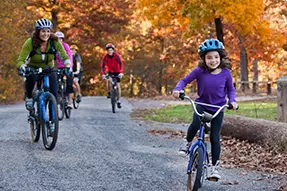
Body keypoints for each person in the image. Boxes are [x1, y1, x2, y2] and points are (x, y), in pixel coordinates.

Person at [172, 39, 238, 180]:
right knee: (195, 124)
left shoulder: (226, 73)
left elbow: (231, 90)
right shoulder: (200, 71)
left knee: (215, 138)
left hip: (218, 108)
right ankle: (188, 142)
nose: (213, 60)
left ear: (221, 57)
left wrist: (232, 101)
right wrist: (178, 88)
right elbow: (184, 80)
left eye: (216, 57)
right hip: (201, 104)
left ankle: (214, 168)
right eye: (209, 57)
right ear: (204, 59)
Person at [17, 18, 71, 111]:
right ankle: (29, 97)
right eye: (43, 31)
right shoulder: (30, 42)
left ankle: (52, 119)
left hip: (48, 68)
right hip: (34, 68)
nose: (45, 34)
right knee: (31, 77)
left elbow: (64, 57)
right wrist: (24, 67)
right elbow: (21, 60)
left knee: (54, 92)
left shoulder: (55, 42)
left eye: (48, 31)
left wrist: (67, 66)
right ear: (38, 32)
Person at [100, 43, 124, 108]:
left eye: (111, 50)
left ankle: (118, 100)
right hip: (110, 71)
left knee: (118, 87)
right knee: (109, 81)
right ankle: (110, 93)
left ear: (113, 50)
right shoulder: (105, 57)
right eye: (108, 50)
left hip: (117, 72)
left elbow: (121, 64)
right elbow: (102, 66)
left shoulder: (117, 56)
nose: (110, 52)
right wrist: (103, 74)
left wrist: (121, 72)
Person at [55, 31, 73, 108]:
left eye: (61, 39)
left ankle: (69, 100)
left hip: (67, 65)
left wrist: (69, 67)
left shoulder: (65, 46)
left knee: (69, 82)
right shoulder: (54, 47)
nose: (59, 40)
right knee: (56, 82)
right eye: (57, 39)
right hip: (58, 67)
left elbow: (69, 56)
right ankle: (59, 97)